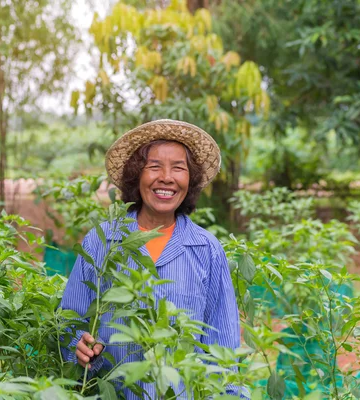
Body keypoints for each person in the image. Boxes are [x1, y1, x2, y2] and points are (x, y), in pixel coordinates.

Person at [61, 119, 240, 398]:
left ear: (189, 180)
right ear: (136, 176)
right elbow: (69, 325)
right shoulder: (102, 241)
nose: (166, 178)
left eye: (178, 168)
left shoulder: (207, 250)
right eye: (154, 166)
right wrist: (78, 346)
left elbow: (223, 348)